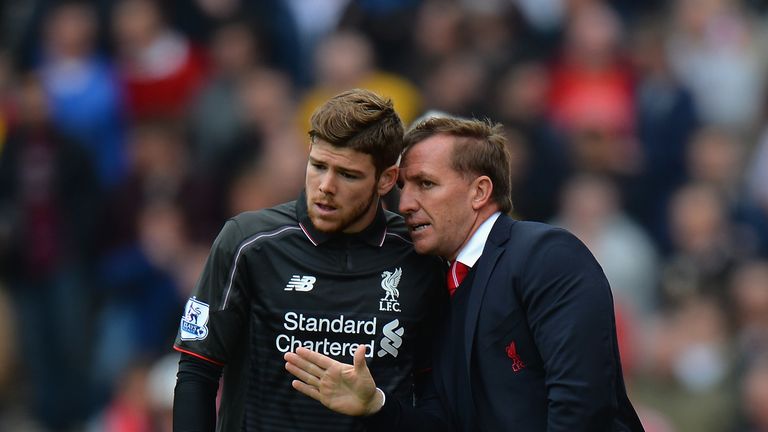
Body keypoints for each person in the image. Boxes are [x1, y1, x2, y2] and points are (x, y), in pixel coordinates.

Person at [285, 115, 645, 431]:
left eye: (425, 184)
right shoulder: (437, 288)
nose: (406, 204)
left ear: (479, 191)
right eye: (402, 187)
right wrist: (376, 405)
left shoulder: (545, 254)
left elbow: (580, 403)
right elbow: (443, 421)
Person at [172, 89, 447, 431]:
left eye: (348, 175)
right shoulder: (248, 243)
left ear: (386, 180)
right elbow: (197, 370)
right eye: (318, 166)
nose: (325, 186)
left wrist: (378, 406)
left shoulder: (421, 254)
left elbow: (436, 399)